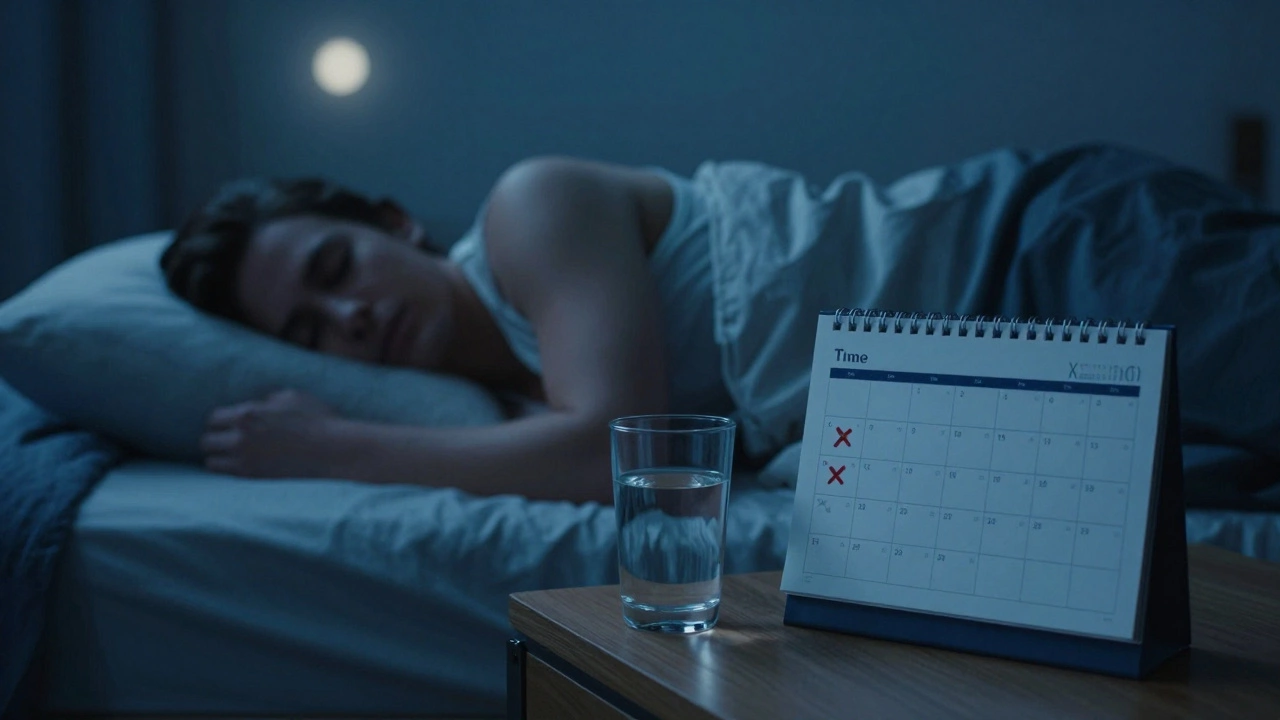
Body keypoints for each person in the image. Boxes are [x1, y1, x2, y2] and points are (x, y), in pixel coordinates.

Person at [160, 144, 1280, 504]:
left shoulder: (527, 209)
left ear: (394, 221)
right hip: (1000, 394)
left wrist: (328, 446)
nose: (349, 318)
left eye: (335, 268)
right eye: (309, 330)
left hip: (1043, 253)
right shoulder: (488, 410)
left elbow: (616, 449)